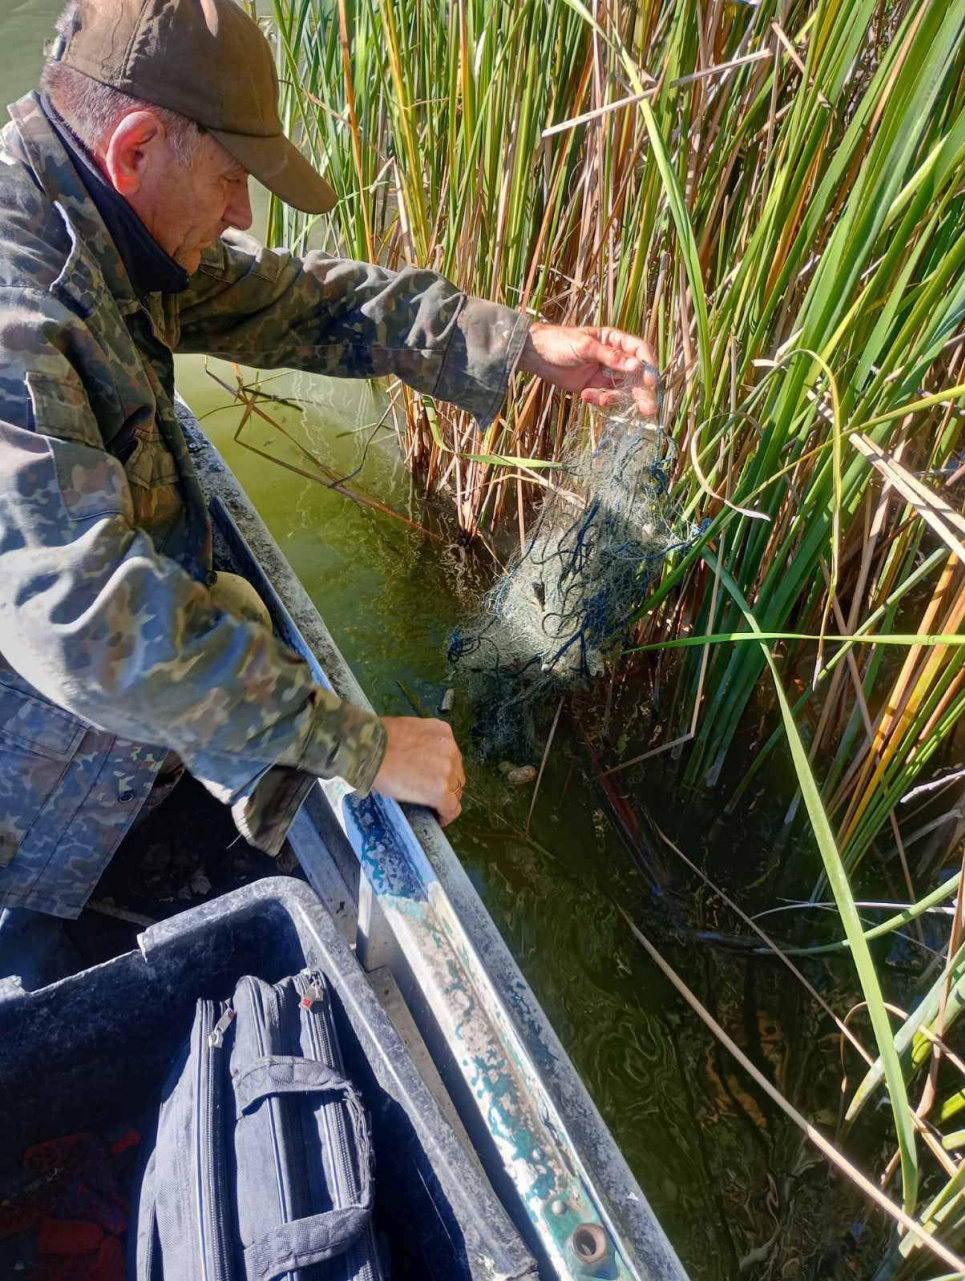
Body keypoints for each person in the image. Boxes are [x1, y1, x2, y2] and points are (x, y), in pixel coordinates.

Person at [0, 0, 657, 985]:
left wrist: (518, 344)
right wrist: (361, 745)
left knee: (229, 612)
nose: (239, 215)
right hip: (24, 809)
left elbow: (300, 299)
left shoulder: (90, 211)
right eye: (230, 180)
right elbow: (87, 629)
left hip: (76, 714)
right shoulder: (21, 311)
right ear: (136, 148)